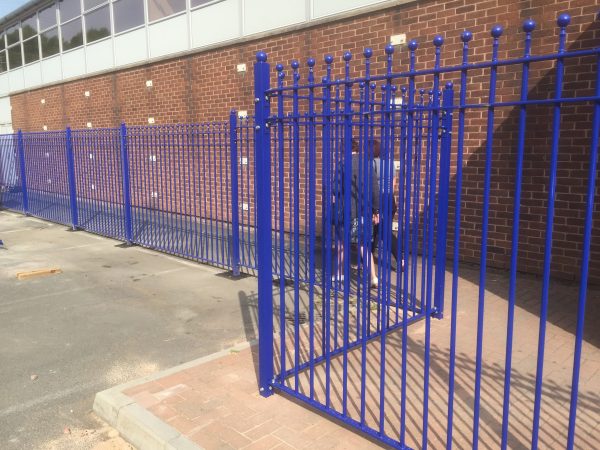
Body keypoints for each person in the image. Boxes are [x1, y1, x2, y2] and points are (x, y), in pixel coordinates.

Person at [332, 139, 380, 288]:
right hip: (363, 211)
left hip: (346, 211)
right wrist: (376, 210)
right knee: (363, 245)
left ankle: (339, 274)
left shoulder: (342, 164)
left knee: (341, 243)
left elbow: (336, 189)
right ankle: (373, 277)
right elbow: (374, 189)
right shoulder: (367, 164)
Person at [371, 139, 403, 271]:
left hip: (378, 199)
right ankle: (367, 261)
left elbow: (370, 184)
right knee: (375, 230)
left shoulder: (372, 163)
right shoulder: (390, 163)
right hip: (390, 199)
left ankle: (401, 259)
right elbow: (394, 182)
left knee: (382, 232)